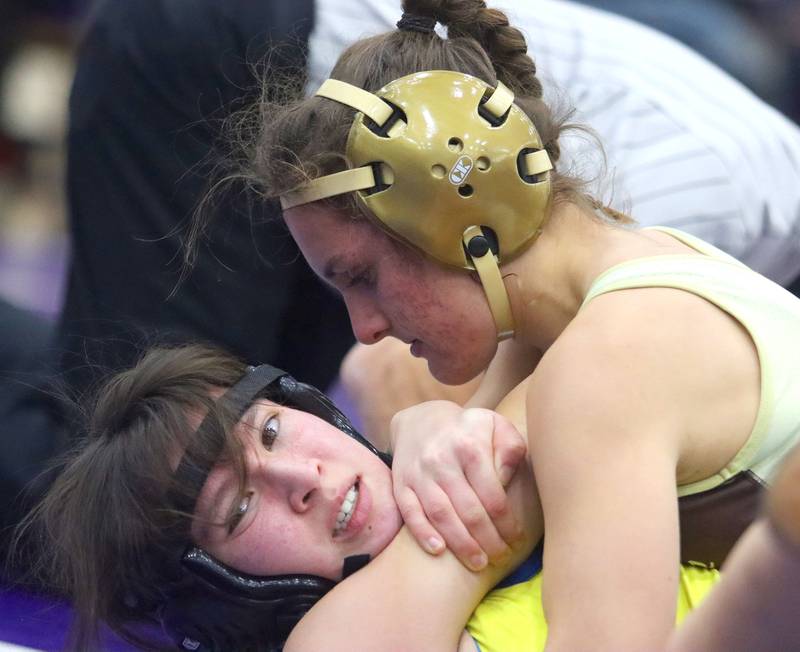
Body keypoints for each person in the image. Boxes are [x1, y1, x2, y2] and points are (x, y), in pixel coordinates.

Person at [230, 0, 800, 649]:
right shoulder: (633, 268)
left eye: (361, 277)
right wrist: (422, 426)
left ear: (455, 211)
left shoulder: (605, 363)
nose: (364, 326)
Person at [18, 344, 800, 652]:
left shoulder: (431, 409)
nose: (304, 481)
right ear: (223, 595)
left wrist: (432, 422)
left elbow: (377, 360)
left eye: (274, 433)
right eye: (240, 509)